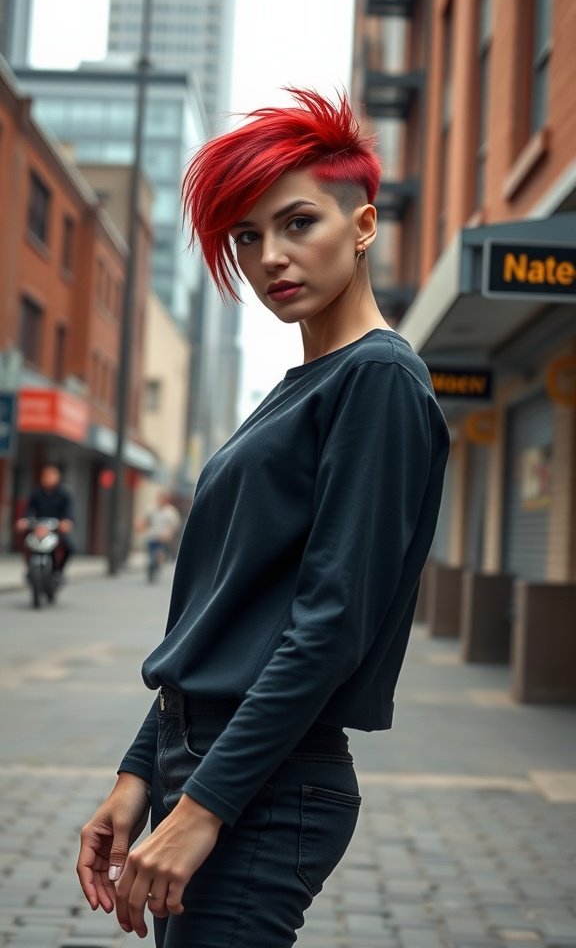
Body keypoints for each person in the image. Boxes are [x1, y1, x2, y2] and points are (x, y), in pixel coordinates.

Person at [77, 88, 450, 947]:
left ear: (361, 226)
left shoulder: (378, 381)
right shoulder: (296, 391)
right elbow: (228, 616)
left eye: (297, 223)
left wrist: (203, 807)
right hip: (211, 764)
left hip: (268, 784)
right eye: (245, 236)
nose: (269, 257)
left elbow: (329, 625)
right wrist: (140, 774)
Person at [15, 464, 76, 577]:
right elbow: (29, 509)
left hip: (55, 528)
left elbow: (69, 512)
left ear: (58, 477)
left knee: (69, 547)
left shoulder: (64, 494)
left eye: (51, 475)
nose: (48, 478)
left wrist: (66, 522)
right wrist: (24, 520)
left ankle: (58, 571)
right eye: (46, 476)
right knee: (26, 542)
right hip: (38, 527)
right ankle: (29, 568)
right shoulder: (36, 493)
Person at [135, 492, 182, 579]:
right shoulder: (151, 509)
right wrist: (140, 525)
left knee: (158, 554)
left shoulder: (170, 512)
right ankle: (151, 569)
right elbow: (146, 520)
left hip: (163, 538)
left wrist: (170, 533)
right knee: (151, 556)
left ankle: (158, 564)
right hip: (152, 536)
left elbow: (175, 525)